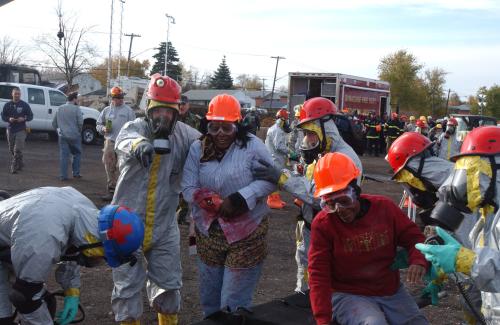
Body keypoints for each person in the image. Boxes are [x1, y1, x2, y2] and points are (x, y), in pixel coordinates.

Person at [111, 74, 201, 325]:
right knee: (126, 288)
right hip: (127, 225)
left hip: (164, 226)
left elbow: (208, 144)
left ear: (177, 113)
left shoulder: (185, 136)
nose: (163, 118)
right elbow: (124, 140)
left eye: (168, 112)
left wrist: (236, 135)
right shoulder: (136, 128)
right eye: (157, 110)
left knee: (169, 285)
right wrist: (139, 145)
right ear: (148, 110)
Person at [252, 97, 363, 294]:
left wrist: (283, 178)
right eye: (305, 133)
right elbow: (309, 182)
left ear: (325, 129)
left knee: (324, 288)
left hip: (330, 233)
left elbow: (322, 199)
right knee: (305, 284)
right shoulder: (323, 153)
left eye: (310, 133)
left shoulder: (342, 157)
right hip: (310, 227)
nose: (307, 140)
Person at [181, 94, 275, 317]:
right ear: (207, 126)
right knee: (210, 302)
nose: (221, 134)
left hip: (247, 234)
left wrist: (242, 198)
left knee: (233, 304)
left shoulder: (253, 147)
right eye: (215, 128)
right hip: (209, 234)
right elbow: (187, 186)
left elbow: (270, 179)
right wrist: (205, 198)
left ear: (238, 125)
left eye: (227, 128)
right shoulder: (198, 149)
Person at [308, 152, 429, 325]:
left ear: (356, 191)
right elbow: (318, 274)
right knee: (373, 323)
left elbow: (413, 238)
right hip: (348, 294)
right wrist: (322, 320)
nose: (340, 209)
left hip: (390, 291)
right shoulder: (323, 224)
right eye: (330, 204)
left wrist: (418, 260)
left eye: (344, 200)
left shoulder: (384, 208)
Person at [0, 186, 144, 325]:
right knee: (20, 305)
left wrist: (72, 292)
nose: (100, 260)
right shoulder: (43, 238)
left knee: (44, 302)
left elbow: (75, 246)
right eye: (104, 255)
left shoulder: (88, 215)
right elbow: (24, 296)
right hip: (18, 240)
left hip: (11, 238)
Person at [416, 126, 500, 324]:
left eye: (473, 174)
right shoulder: (486, 216)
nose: (465, 185)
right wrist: (443, 272)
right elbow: (486, 267)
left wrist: (467, 261)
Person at [96, 86, 136, 201]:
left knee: (123, 167)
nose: (118, 99)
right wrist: (103, 129)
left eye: (120, 97)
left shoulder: (128, 111)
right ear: (112, 97)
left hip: (124, 143)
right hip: (110, 142)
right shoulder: (107, 110)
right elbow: (98, 123)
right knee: (109, 166)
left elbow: (134, 127)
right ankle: (111, 191)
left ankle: (122, 192)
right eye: (116, 97)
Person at [176, 95, 201, 225]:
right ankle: (170, 215)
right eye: (179, 104)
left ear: (188, 105)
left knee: (186, 185)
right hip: (174, 157)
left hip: (189, 157)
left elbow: (200, 139)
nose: (181, 106)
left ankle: (181, 216)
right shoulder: (171, 118)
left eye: (184, 104)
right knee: (172, 186)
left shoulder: (195, 120)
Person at [264, 108, 293, 209]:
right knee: (275, 179)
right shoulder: (278, 130)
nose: (288, 121)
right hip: (275, 158)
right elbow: (279, 146)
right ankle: (272, 200)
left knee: (275, 179)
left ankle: (276, 198)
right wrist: (291, 152)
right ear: (282, 120)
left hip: (273, 157)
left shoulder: (273, 128)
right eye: (286, 119)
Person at [1, 87, 33, 174]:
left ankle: (13, 167)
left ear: (20, 95)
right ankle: (20, 162)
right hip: (10, 129)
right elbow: (3, 116)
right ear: (12, 94)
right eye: (15, 94)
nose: (17, 95)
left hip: (21, 129)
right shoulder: (7, 105)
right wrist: (9, 119)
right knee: (11, 148)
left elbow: (30, 116)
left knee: (17, 149)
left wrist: (24, 118)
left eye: (18, 94)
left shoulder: (24, 105)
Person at [52, 92, 83, 181]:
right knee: (77, 153)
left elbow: (54, 123)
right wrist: (78, 132)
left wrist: (58, 131)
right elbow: (80, 123)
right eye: (77, 99)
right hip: (74, 135)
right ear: (74, 99)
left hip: (62, 135)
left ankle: (63, 176)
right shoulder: (77, 109)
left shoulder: (60, 108)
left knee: (64, 156)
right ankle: (76, 173)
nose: (78, 100)